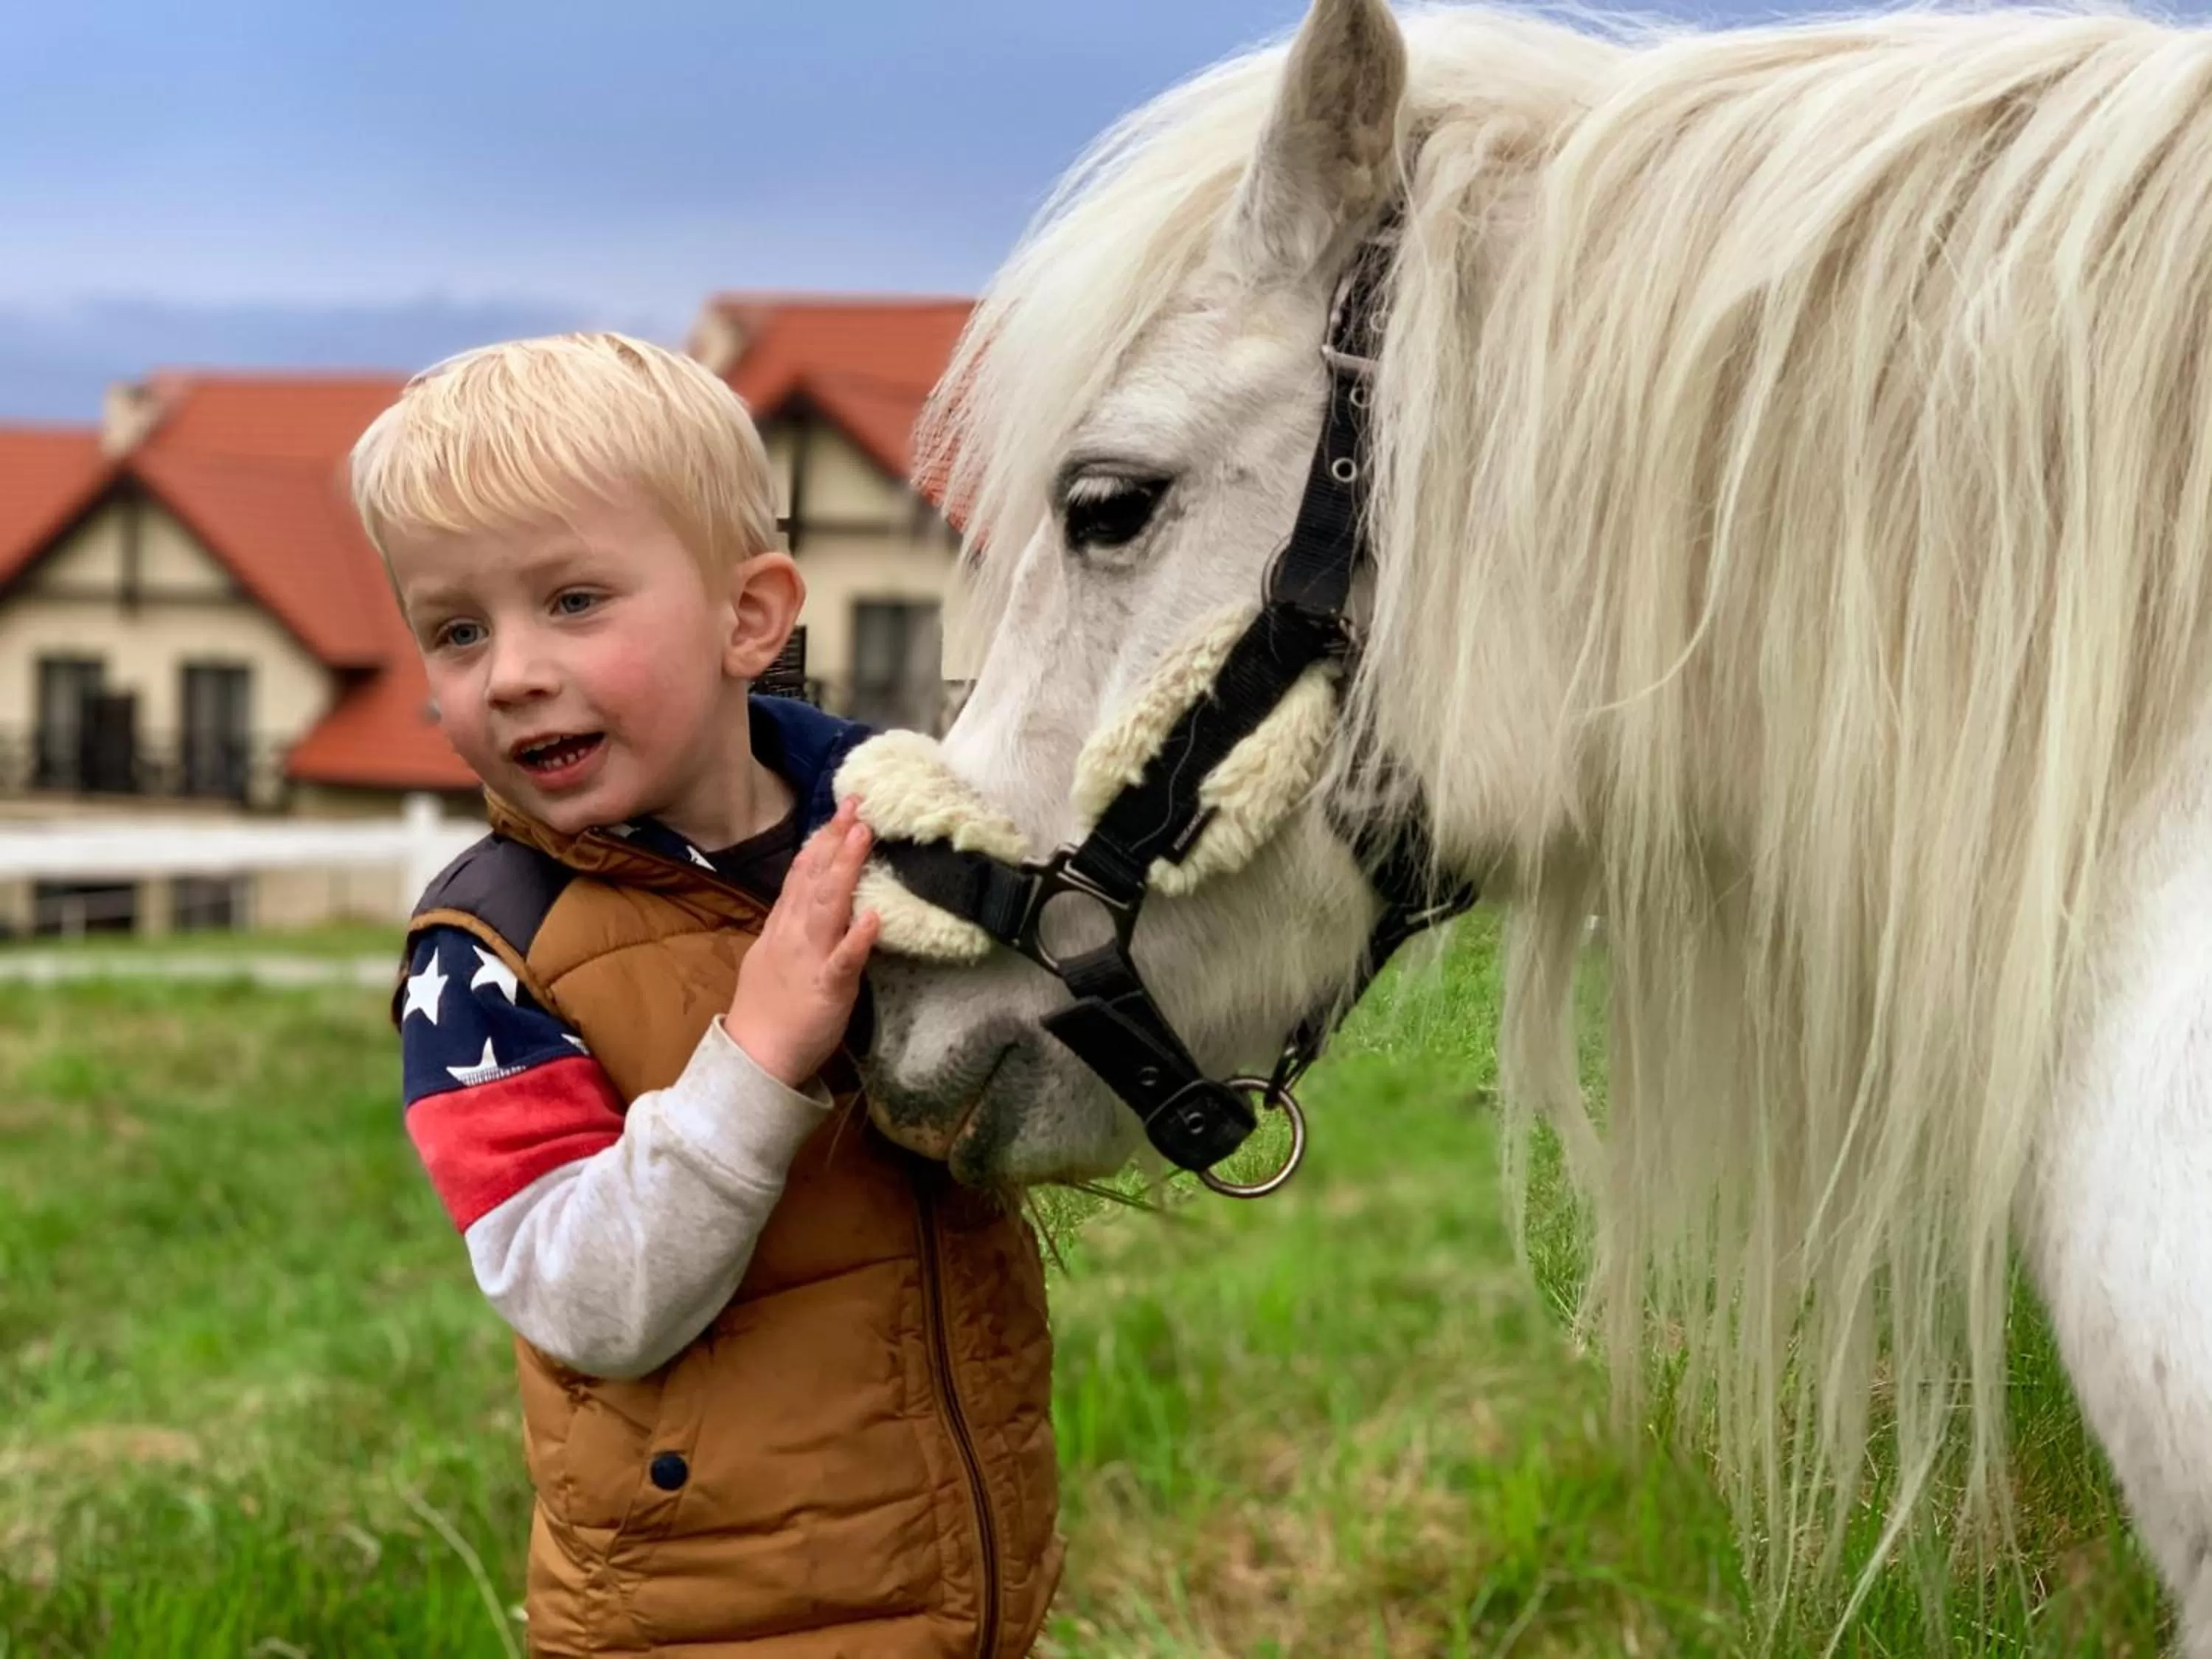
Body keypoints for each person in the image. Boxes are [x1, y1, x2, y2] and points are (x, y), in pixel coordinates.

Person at [349, 332, 1061, 1658]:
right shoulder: (487, 951)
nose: (510, 671)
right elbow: (581, 1298)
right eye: (457, 630)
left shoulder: (897, 828)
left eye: (573, 601)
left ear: (750, 618)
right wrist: (758, 1053)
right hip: (695, 1615)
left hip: (962, 1569)